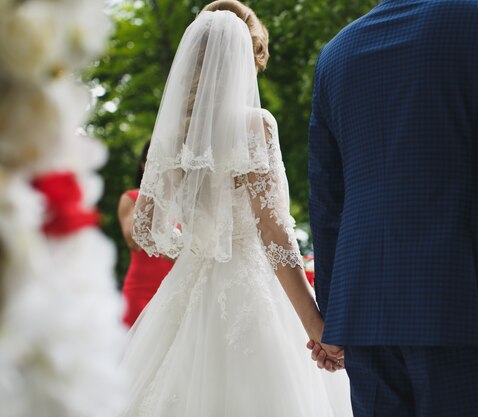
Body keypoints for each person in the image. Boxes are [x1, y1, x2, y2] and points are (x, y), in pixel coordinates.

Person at [307, 0, 478, 415]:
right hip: (462, 303)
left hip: (366, 312)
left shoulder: (336, 52)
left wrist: (331, 322)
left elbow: (326, 202)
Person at [120, 2, 351, 416]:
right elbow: (275, 234)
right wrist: (317, 326)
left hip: (189, 285)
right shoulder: (255, 125)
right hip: (250, 287)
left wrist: (195, 245)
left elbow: (143, 228)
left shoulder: (170, 135)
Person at [117, 141, 174, 327]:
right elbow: (133, 241)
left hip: (175, 290)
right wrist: (152, 190)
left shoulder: (185, 201)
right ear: (144, 165)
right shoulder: (131, 197)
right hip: (141, 291)